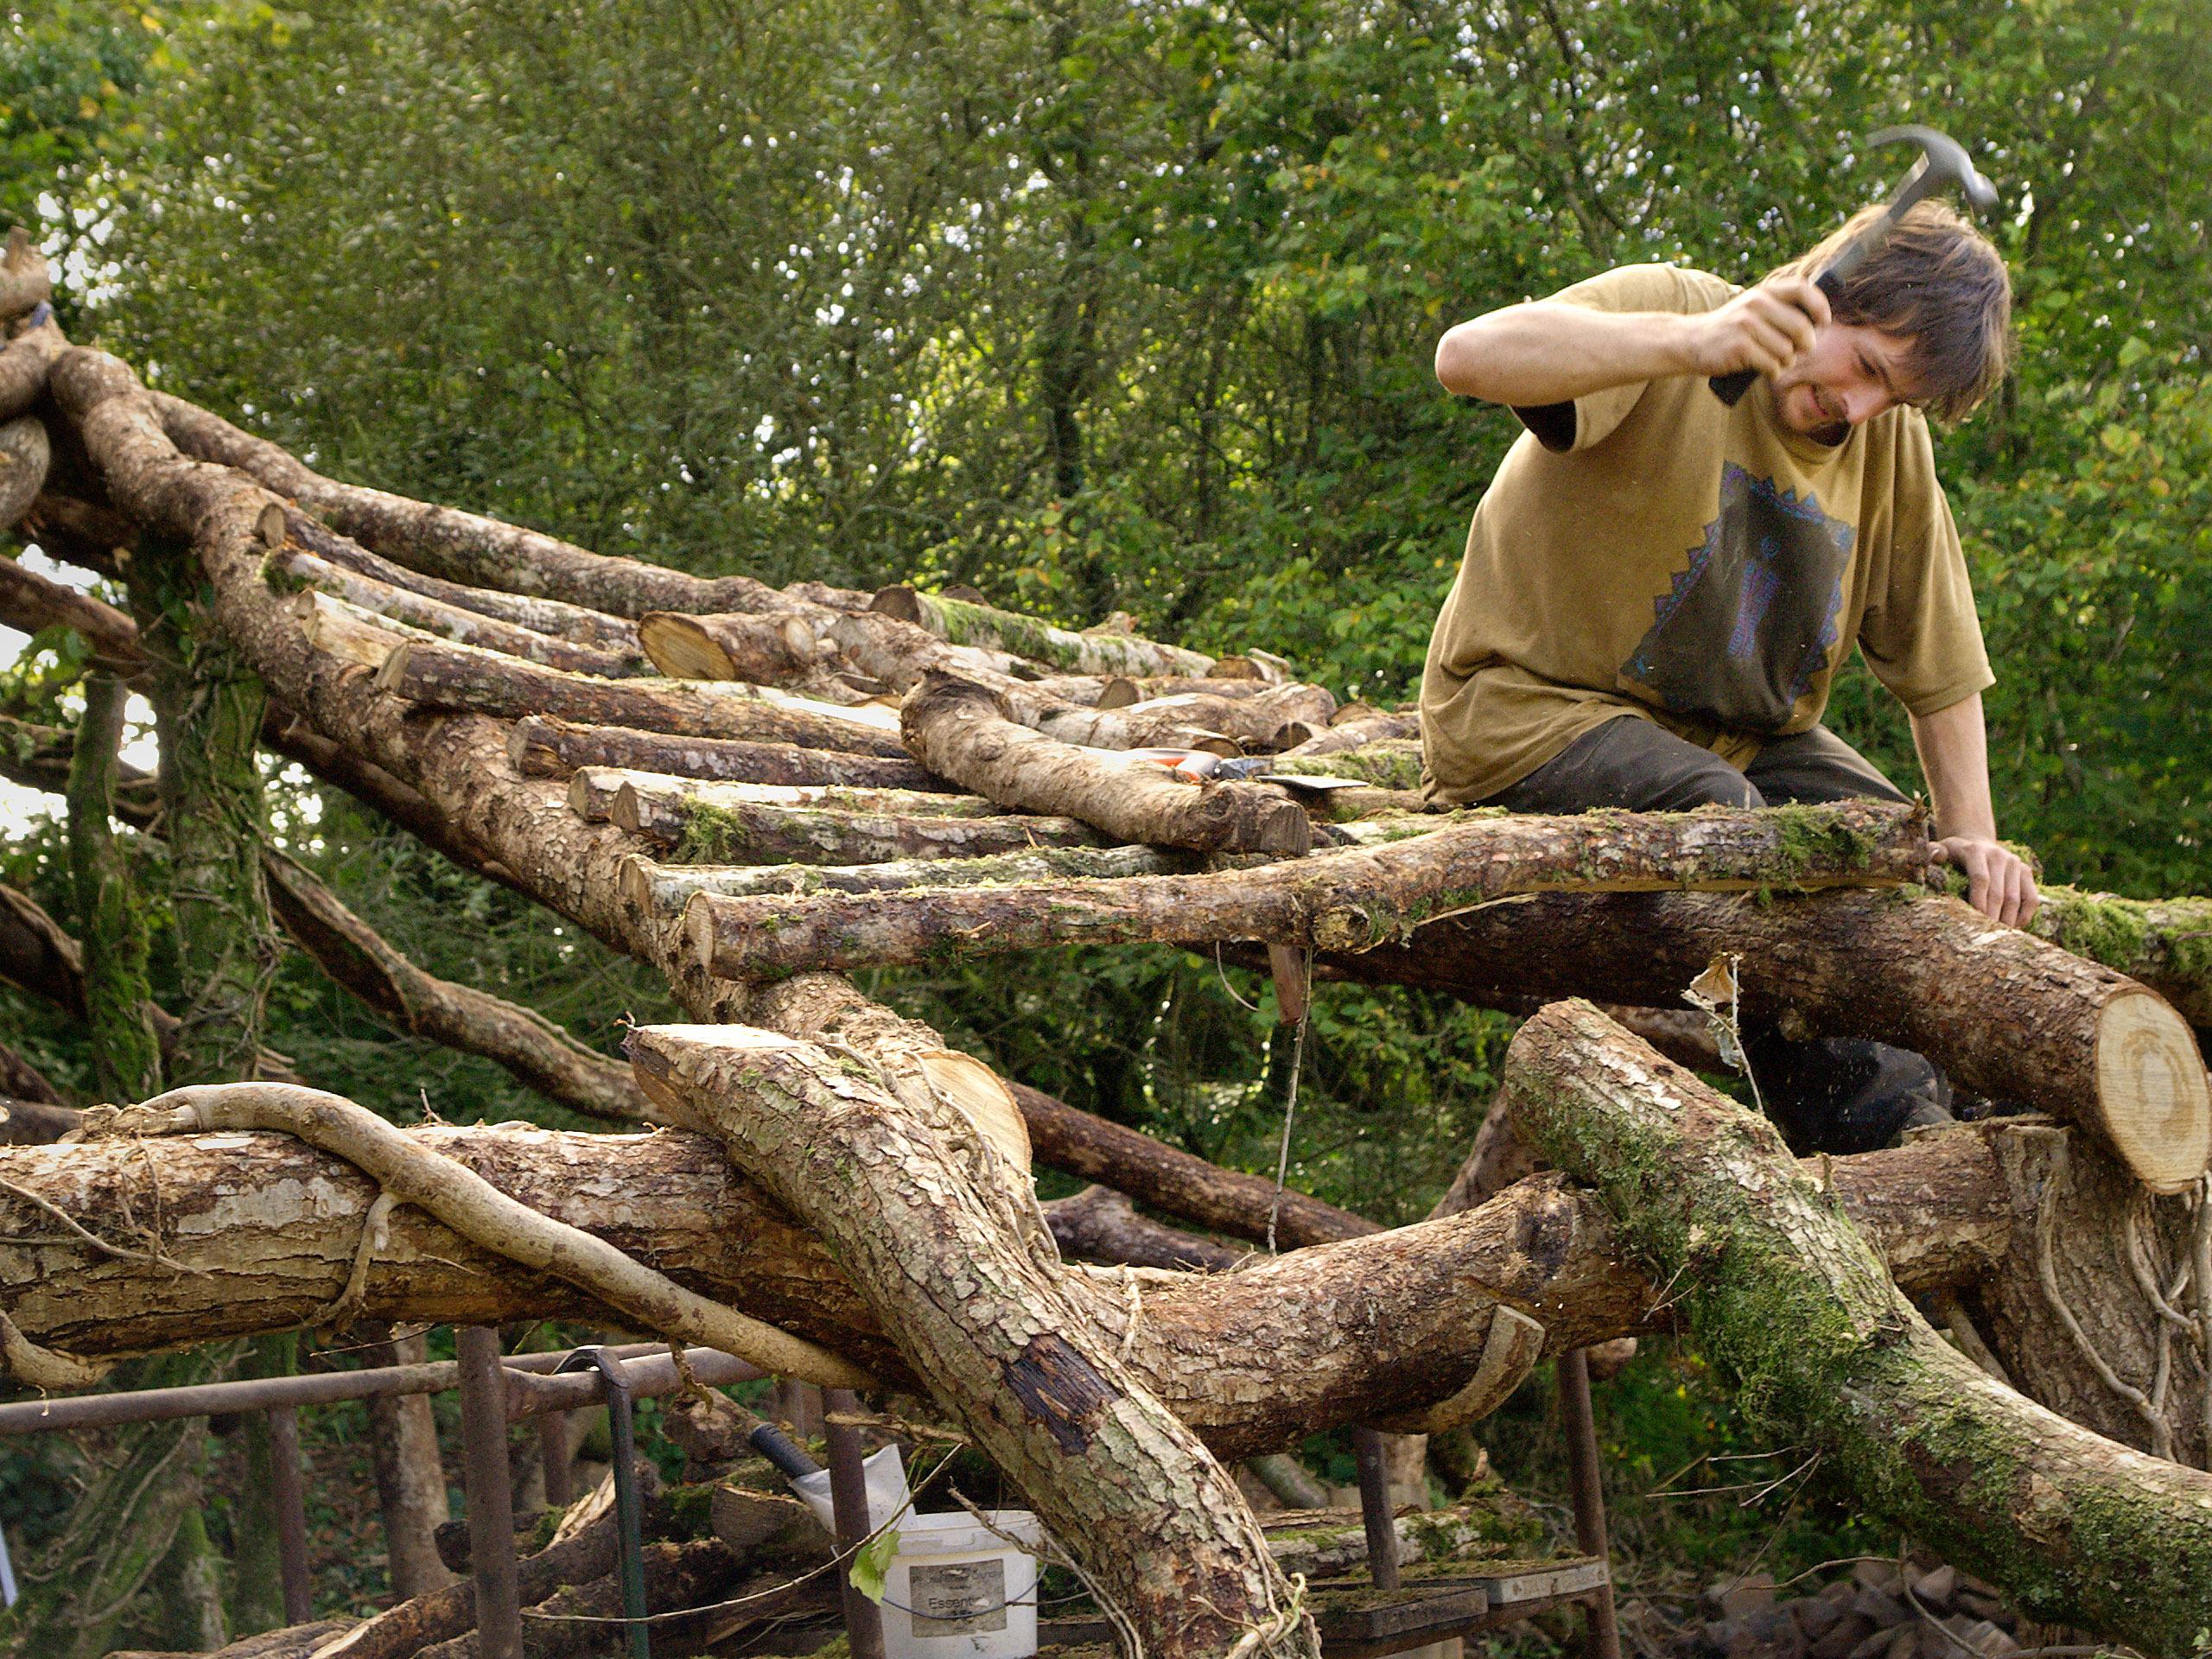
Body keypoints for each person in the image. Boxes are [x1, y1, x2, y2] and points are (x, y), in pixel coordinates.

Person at [1419, 200, 2037, 1152]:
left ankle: (1993, 1114)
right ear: (1825, 292)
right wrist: (1690, 341)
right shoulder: (1677, 314)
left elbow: (1941, 667)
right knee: (1744, 839)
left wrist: (1973, 841)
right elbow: (1465, 355)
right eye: (1865, 368)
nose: (1861, 408)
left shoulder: (1885, 446)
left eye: (1895, 400)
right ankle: (1884, 1153)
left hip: (1741, 738)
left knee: (1896, 855)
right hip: (1526, 715)